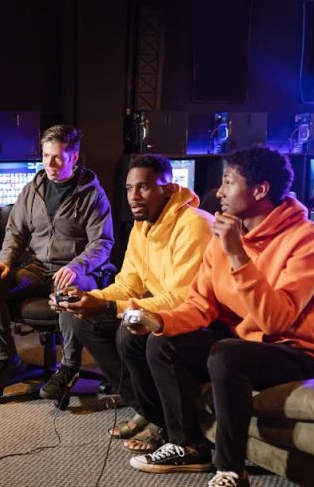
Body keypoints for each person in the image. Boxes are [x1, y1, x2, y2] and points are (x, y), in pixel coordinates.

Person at [124, 146, 314, 487]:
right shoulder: (226, 236)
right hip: (248, 344)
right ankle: (188, 445)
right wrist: (159, 320)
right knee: (163, 344)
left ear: (259, 190)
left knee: (226, 353)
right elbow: (200, 304)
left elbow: (276, 320)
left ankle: (231, 471)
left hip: (302, 353)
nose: (220, 191)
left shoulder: (311, 240)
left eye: (229, 182)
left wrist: (237, 256)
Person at [54, 154, 213, 446]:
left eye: (144, 187)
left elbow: (183, 298)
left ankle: (162, 422)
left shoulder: (195, 225)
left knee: (129, 332)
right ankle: (149, 411)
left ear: (168, 189)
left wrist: (109, 307)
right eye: (129, 188)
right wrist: (86, 298)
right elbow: (128, 285)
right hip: (164, 310)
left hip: (199, 320)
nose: (133, 196)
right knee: (80, 320)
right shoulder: (142, 227)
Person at [0, 124, 114, 399]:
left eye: (58, 157)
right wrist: (4, 261)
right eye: (46, 156)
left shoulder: (92, 193)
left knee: (68, 293)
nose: (50, 164)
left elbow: (102, 243)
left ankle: (69, 367)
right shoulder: (33, 189)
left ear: (74, 157)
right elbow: (15, 233)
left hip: (75, 271)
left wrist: (76, 266)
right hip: (38, 269)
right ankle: (7, 360)